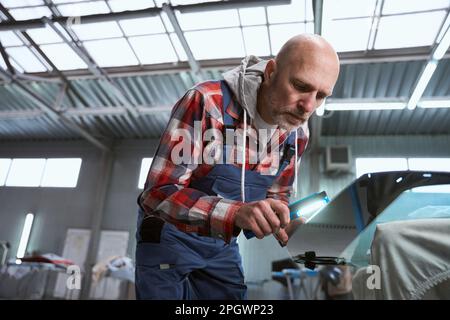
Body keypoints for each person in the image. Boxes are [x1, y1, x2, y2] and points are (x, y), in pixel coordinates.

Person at [135, 33, 340, 300]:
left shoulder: (297, 133)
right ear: (270, 72)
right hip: (168, 238)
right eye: (300, 86)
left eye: (321, 95)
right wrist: (236, 213)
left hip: (221, 245)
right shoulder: (207, 104)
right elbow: (158, 193)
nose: (308, 106)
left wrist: (286, 225)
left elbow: (276, 197)